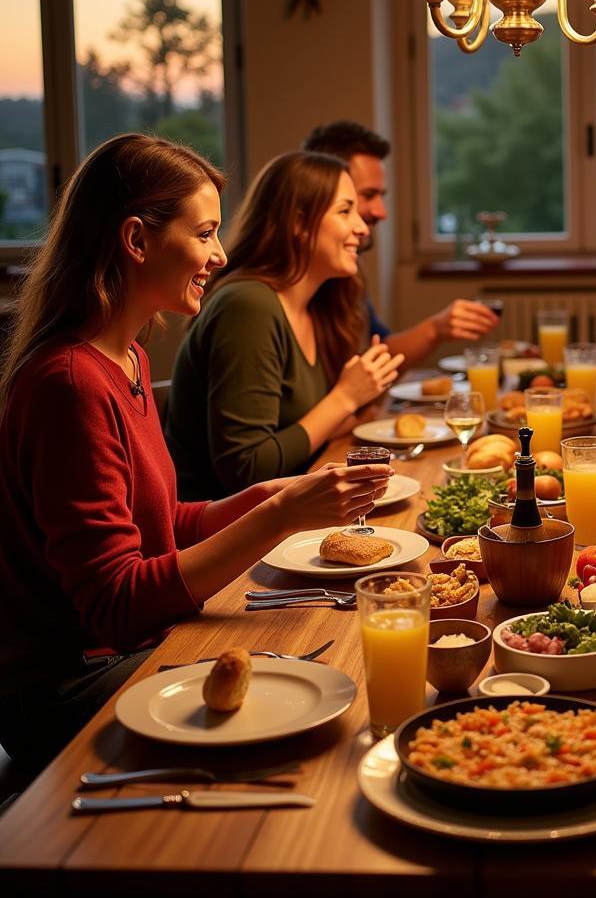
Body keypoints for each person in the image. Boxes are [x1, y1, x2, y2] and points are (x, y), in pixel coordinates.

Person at [0, 135, 392, 770]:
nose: (221, 253)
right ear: (136, 240)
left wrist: (266, 499)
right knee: (325, 709)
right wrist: (279, 519)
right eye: (205, 233)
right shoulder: (69, 382)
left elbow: (158, 525)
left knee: (333, 663)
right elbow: (116, 604)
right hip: (68, 692)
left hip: (130, 652)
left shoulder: (124, 359)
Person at [165, 151, 404, 500]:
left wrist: (356, 399)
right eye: (344, 211)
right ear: (298, 222)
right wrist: (345, 397)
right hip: (230, 535)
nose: (362, 227)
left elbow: (309, 433)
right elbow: (245, 470)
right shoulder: (248, 307)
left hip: (291, 511)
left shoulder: (319, 305)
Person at [302, 119, 498, 364]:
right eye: (368, 195)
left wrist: (436, 329)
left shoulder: (348, 276)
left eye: (381, 196)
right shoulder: (283, 295)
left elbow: (379, 352)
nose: (381, 212)